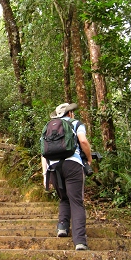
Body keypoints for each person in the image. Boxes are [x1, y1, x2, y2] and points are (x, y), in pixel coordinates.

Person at [42, 102, 92, 251]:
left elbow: (43, 153)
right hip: (73, 165)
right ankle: (80, 241)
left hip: (53, 167)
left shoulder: (48, 127)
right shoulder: (76, 124)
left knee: (64, 198)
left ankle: (62, 228)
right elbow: (83, 141)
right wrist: (88, 158)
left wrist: (45, 174)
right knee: (76, 201)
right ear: (69, 113)